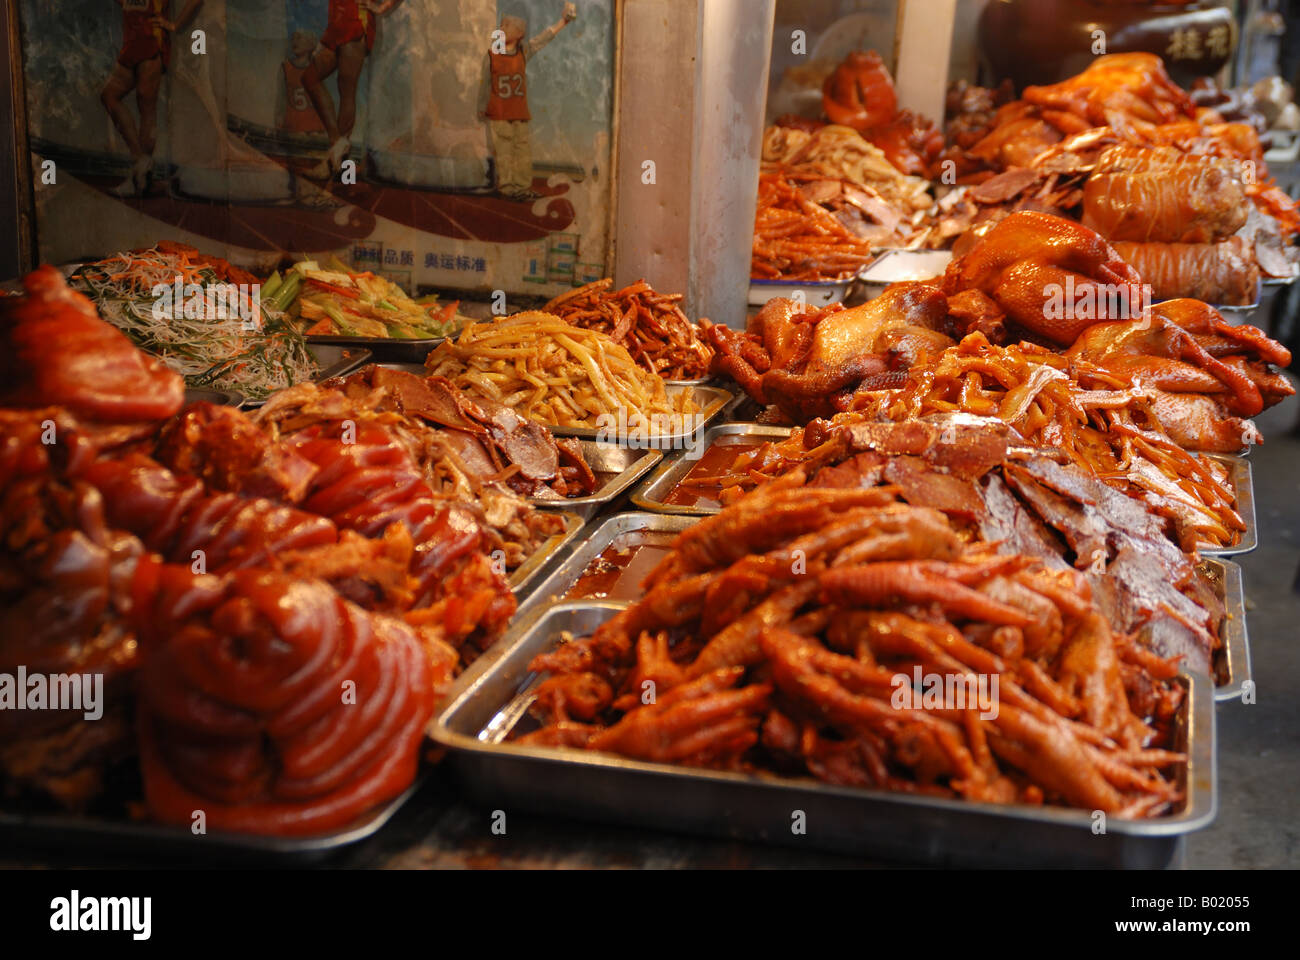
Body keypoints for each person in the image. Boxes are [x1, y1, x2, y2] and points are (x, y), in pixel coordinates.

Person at [100, 0, 204, 196]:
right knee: (109, 96)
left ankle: (140, 180)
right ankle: (141, 164)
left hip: (152, 41)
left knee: (146, 106)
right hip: (131, 42)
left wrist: (174, 25)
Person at [479, 3, 577, 201]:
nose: (503, 27)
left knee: (522, 152)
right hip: (499, 113)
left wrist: (563, 22)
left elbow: (544, 38)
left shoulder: (523, 52)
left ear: (520, 32)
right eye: (502, 24)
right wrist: (481, 108)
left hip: (519, 113)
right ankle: (507, 188)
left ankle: (522, 188)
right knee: (504, 153)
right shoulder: (491, 56)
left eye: (508, 25)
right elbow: (484, 85)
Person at [301, 0, 404, 179]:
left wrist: (381, 7)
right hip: (337, 21)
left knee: (346, 90)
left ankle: (332, 161)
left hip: (356, 21)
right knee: (309, 78)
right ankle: (337, 143)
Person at [279, 30, 326, 135]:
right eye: (293, 38)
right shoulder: (286, 67)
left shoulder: (316, 68)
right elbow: (281, 98)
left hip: (315, 127)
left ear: (310, 44)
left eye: (299, 37)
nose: (294, 41)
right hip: (293, 125)